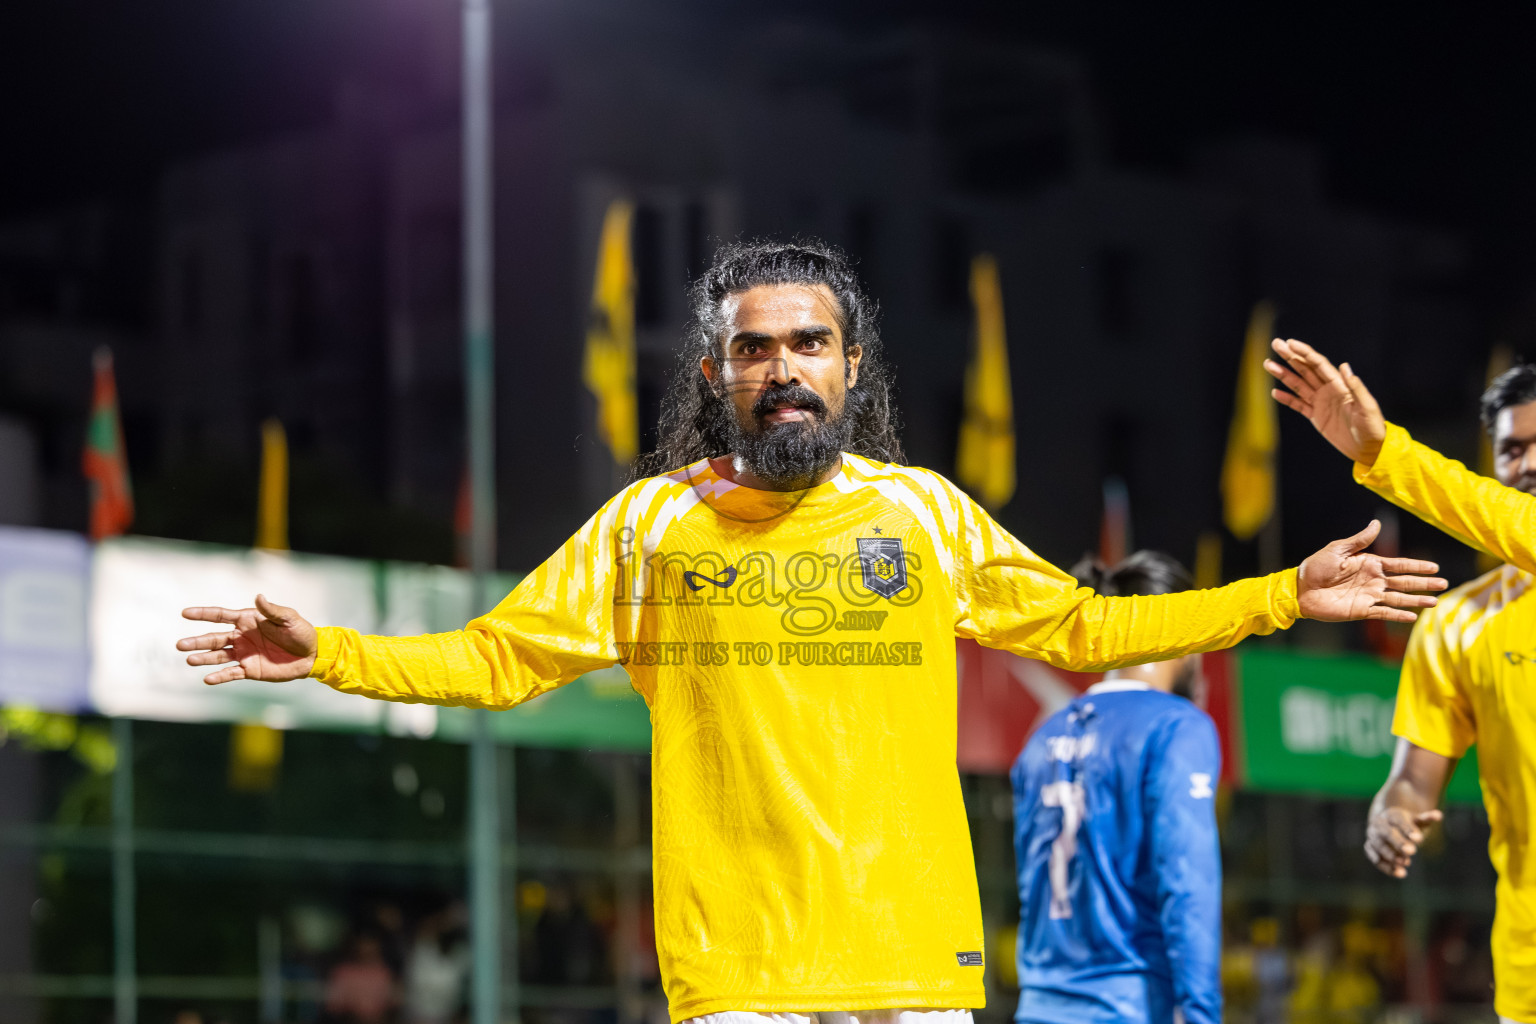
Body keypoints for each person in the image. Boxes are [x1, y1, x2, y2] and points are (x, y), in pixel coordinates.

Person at [176, 241, 1444, 1024]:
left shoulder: (923, 513)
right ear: (717, 373)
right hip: (738, 967)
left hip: (912, 958)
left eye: (810, 343)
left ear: (850, 365)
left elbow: (1076, 621)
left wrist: (1281, 593)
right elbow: (498, 658)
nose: (784, 366)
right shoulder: (650, 527)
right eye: (755, 348)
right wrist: (332, 650)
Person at [1266, 337, 1536, 1024]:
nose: (1526, 461)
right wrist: (1395, 811)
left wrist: (1385, 454)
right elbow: (1415, 778)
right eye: (1510, 448)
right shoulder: (1455, 624)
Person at [1011, 551, 1222, 1024]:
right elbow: (1187, 879)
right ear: (1185, 635)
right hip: (1131, 1004)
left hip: (1040, 1004)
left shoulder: (1042, 736)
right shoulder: (1175, 726)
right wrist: (1200, 1009)